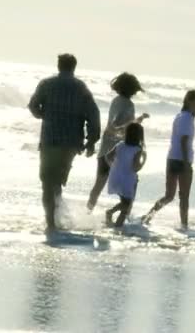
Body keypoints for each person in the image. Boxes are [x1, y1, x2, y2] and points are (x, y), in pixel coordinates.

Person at [28, 54, 101, 231]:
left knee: (47, 181)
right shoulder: (81, 87)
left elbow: (33, 105)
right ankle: (58, 217)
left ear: (59, 66)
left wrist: (43, 115)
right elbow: (94, 115)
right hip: (71, 143)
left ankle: (51, 223)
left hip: (50, 140)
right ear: (74, 67)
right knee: (57, 181)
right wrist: (91, 141)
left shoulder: (46, 84)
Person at [141, 90, 195, 230]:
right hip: (182, 160)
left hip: (171, 158)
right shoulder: (187, 118)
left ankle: (148, 216)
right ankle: (184, 225)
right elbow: (183, 140)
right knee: (184, 197)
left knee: (169, 195)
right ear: (189, 101)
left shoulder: (180, 116)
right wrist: (187, 163)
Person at [87, 72, 149, 211]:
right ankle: (125, 215)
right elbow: (115, 126)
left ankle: (88, 212)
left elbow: (125, 124)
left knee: (99, 184)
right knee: (130, 183)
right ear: (132, 89)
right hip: (121, 151)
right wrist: (118, 130)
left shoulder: (117, 101)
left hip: (107, 148)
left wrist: (138, 119)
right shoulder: (127, 104)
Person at [105, 123, 147, 228]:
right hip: (127, 179)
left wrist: (114, 167)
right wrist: (144, 159)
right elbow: (135, 168)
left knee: (124, 202)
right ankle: (116, 224)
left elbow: (107, 156)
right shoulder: (138, 149)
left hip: (115, 176)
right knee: (127, 205)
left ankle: (112, 216)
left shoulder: (120, 145)